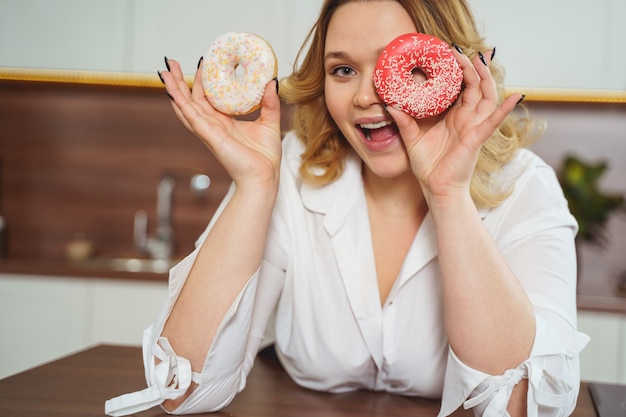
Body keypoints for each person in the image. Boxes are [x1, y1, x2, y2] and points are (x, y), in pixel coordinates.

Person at [105, 0, 589, 416]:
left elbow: (520, 407)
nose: (363, 96)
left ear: (450, 68)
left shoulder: (526, 188)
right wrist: (255, 187)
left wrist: (448, 196)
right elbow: (182, 392)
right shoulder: (290, 171)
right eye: (343, 70)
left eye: (395, 65)